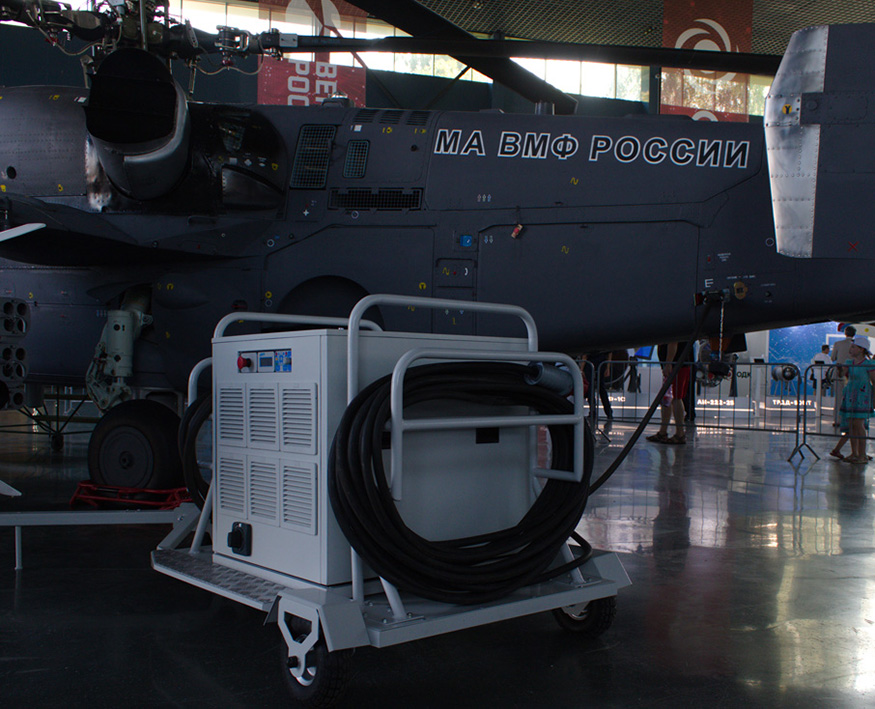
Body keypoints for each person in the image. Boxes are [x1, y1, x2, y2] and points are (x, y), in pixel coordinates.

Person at [833, 335, 875, 463]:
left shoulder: (868, 364)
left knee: (858, 424)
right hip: (851, 395)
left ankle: (862, 454)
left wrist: (874, 398)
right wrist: (839, 370)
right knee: (851, 424)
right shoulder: (849, 362)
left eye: (853, 347)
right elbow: (842, 374)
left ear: (861, 349)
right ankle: (854, 453)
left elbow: (874, 381)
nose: (850, 349)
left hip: (862, 397)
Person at [647, 341, 692, 444]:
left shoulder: (675, 333)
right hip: (676, 365)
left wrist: (668, 363)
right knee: (668, 398)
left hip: (677, 366)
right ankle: (663, 431)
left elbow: (673, 342)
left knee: (676, 398)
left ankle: (680, 433)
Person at [832, 325, 857, 426]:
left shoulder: (838, 344)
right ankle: (851, 421)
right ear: (854, 334)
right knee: (853, 398)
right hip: (853, 373)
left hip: (839, 373)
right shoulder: (856, 345)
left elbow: (833, 358)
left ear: (845, 333)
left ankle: (837, 420)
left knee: (838, 398)